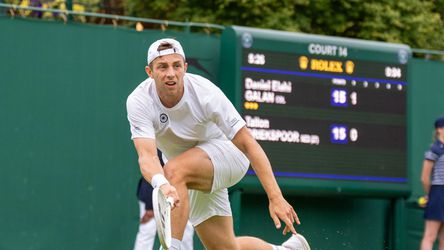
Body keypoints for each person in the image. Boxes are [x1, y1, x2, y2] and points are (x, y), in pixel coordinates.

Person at [126, 38, 310, 250]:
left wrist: (275, 197)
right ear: (150, 72)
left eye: (177, 65)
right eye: (162, 67)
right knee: (224, 248)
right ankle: (288, 249)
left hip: (229, 155)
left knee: (174, 170)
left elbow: (248, 144)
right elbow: (147, 156)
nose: (171, 73)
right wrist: (162, 183)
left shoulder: (206, 93)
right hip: (188, 172)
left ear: (185, 68)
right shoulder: (139, 101)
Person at [134, 150, 194, 250]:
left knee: (186, 233)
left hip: (181, 197)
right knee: (147, 231)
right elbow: (150, 168)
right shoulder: (157, 144)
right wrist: (150, 206)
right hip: (153, 196)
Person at [420, 116, 444, 250]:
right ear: (439, 129)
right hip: (438, 194)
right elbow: (424, 178)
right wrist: (431, 196)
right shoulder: (434, 150)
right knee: (430, 236)